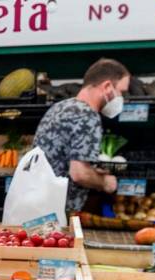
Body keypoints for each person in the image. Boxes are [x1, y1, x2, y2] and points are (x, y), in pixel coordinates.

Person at [33, 58, 130, 213]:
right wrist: (105, 182)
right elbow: (79, 174)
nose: (121, 98)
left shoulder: (60, 107)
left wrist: (92, 171)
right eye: (121, 92)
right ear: (107, 87)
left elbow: (61, 160)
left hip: (38, 205)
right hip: (56, 214)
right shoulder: (87, 115)